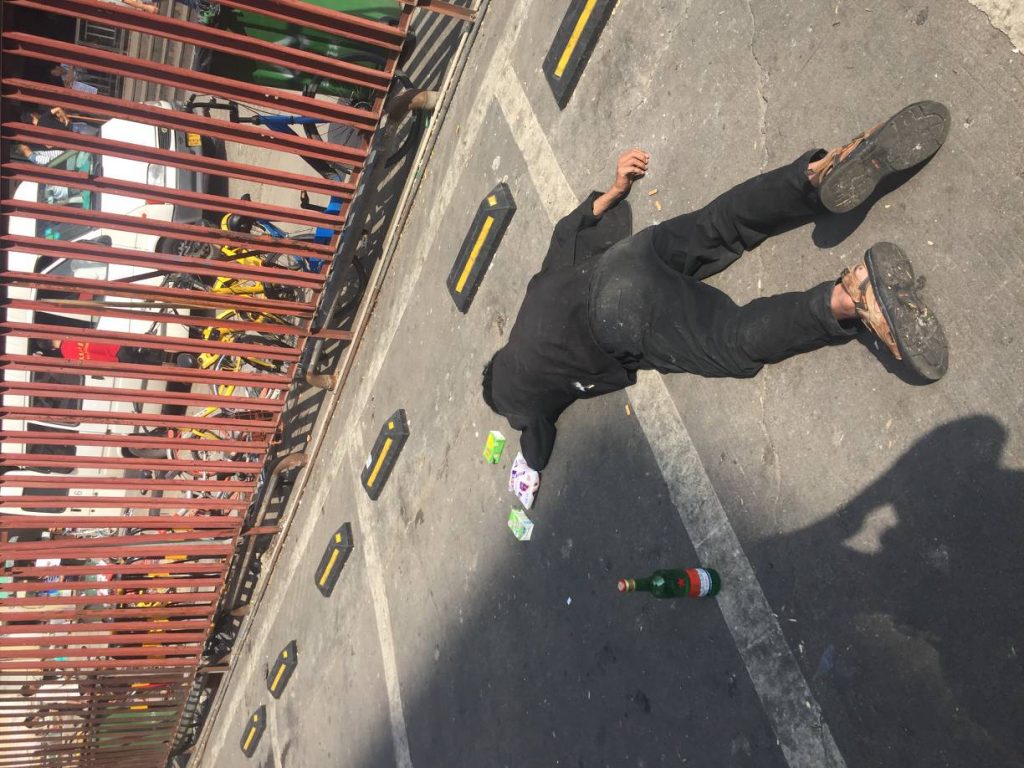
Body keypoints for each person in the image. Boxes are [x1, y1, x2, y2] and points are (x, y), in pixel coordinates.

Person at [481, 101, 951, 484]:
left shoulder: (519, 402)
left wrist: (524, 442)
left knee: (730, 341)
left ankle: (851, 298)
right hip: (625, 257)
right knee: (721, 223)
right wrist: (616, 186)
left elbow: (536, 448)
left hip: (620, 316)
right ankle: (813, 177)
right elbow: (566, 233)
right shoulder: (531, 302)